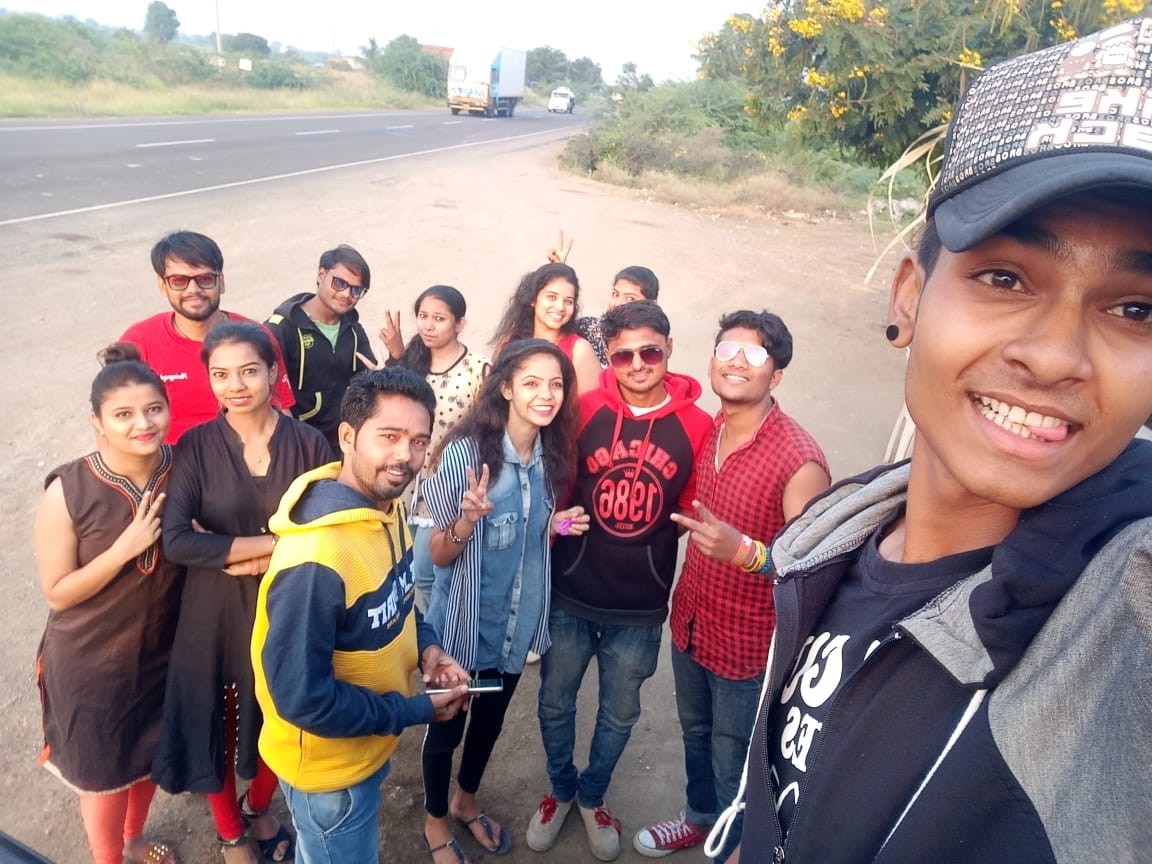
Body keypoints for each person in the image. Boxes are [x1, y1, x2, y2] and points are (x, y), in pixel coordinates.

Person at [713, 20, 1152, 864]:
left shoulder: (1122, 617)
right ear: (910, 297)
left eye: (1136, 308)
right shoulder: (834, 535)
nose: (1055, 356)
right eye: (1005, 277)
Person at [251, 367, 472, 864]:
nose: (405, 456)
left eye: (418, 441)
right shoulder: (315, 560)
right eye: (388, 436)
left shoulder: (386, 509)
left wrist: (429, 649)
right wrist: (416, 710)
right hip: (330, 775)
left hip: (366, 745)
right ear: (347, 436)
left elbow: (399, 597)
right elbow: (303, 699)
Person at [635, 310, 829, 860]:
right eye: (727, 350)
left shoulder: (798, 460)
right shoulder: (709, 429)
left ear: (776, 375)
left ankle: (733, 849)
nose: (737, 362)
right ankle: (698, 820)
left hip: (748, 651)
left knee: (735, 764)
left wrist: (745, 552)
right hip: (692, 623)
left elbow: (814, 569)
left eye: (755, 354)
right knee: (695, 735)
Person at [528, 301, 711, 862]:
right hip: (571, 592)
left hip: (639, 605)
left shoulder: (698, 426)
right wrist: (554, 525)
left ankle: (592, 795)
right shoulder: (584, 409)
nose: (637, 365)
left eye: (649, 352)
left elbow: (690, 511)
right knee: (554, 702)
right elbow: (554, 489)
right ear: (610, 355)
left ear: (668, 349)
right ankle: (560, 789)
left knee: (620, 712)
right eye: (624, 354)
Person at [152, 322, 331, 864]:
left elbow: (326, 532)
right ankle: (231, 833)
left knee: (286, 710)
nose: (236, 386)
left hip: (288, 603)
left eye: (249, 371)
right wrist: (274, 543)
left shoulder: (309, 444)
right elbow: (177, 539)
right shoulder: (195, 446)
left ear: (273, 373)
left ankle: (259, 805)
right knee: (218, 719)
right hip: (215, 612)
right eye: (221, 374)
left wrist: (233, 549)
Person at [420, 339, 586, 864]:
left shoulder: (549, 453)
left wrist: (554, 524)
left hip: (517, 627)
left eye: (556, 384)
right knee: (447, 728)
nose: (546, 394)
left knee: (489, 722)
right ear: (507, 388)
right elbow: (438, 553)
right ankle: (434, 822)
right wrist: (467, 520)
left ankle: (465, 802)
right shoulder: (466, 456)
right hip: (463, 630)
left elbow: (526, 533)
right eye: (532, 383)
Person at [33, 344, 183, 864]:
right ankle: (108, 859)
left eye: (153, 409)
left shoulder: (182, 467)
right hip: (93, 660)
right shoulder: (69, 491)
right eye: (123, 415)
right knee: (102, 773)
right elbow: (58, 591)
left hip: (163, 648)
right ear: (98, 423)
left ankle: (134, 839)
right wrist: (123, 549)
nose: (143, 424)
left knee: (148, 754)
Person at [362, 285, 491, 609]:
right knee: (402, 568)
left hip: (448, 488)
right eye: (423, 316)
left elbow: (490, 428)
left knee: (427, 573)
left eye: (439, 318)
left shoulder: (477, 369)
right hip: (406, 483)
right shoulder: (412, 366)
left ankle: (443, 632)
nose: (428, 326)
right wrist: (391, 366)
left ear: (460, 324)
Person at [121, 231, 296, 443]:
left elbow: (281, 411)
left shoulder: (256, 338)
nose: (193, 290)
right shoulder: (138, 342)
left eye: (205, 279)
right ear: (162, 285)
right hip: (169, 461)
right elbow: (113, 417)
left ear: (221, 282)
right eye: (179, 280)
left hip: (247, 457)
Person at [265, 244, 377, 450]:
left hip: (344, 442)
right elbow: (270, 391)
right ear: (321, 275)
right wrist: (293, 441)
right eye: (339, 283)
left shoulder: (353, 330)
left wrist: (395, 356)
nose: (346, 294)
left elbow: (369, 381)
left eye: (356, 290)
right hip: (298, 444)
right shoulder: (281, 328)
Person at [491, 262, 601, 395]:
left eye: (568, 301)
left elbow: (592, 405)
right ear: (533, 299)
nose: (560, 307)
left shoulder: (579, 350)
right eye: (552, 297)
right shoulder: (509, 341)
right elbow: (493, 396)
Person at [575, 266, 661, 366]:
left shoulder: (653, 344)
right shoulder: (588, 329)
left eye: (630, 298)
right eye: (615, 294)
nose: (618, 303)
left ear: (651, 305)